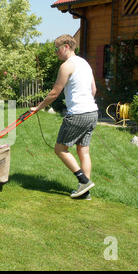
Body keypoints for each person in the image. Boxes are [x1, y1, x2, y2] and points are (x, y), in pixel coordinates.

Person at [31, 34, 98, 199]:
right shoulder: (85, 63)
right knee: (84, 151)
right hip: (92, 112)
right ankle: (85, 191)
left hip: (78, 114)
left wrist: (38, 108)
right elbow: (94, 90)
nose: (55, 53)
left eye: (56, 49)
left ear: (66, 46)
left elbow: (54, 93)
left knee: (60, 149)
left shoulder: (67, 66)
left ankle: (83, 180)